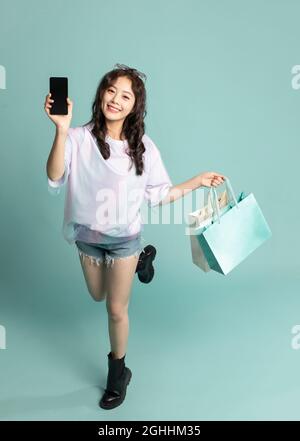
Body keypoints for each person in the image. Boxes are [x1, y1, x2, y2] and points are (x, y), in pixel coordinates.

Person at [44, 63, 225, 410]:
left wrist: (197, 181)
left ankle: (118, 374)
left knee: (115, 309)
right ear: (101, 94)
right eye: (111, 90)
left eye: (125, 95)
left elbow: (160, 196)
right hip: (88, 235)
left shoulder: (143, 147)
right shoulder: (79, 138)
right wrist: (61, 130)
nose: (115, 99)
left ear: (133, 106)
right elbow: (54, 177)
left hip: (125, 238)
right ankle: (143, 261)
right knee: (98, 295)